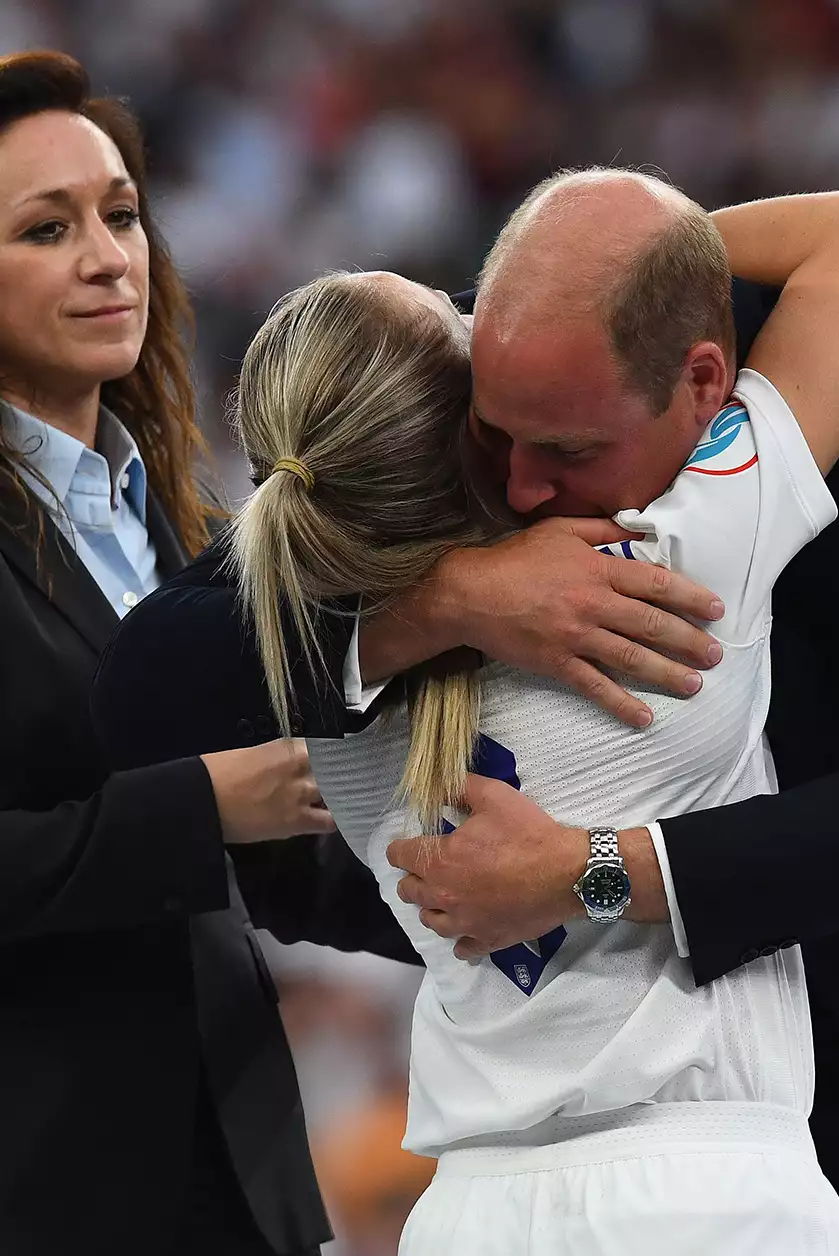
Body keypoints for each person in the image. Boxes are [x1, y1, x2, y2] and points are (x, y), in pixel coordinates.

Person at [96, 177, 839, 1253]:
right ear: (465, 428)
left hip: (468, 1208)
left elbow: (152, 672)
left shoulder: (318, 691)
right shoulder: (671, 556)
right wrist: (605, 284)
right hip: (711, 1190)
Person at [0, 50, 415, 1256]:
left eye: (120, 213)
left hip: (239, 1178)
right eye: (44, 228)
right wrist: (197, 806)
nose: (105, 255)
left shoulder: (189, 525)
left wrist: (543, 894)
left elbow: (281, 859)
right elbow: (212, 815)